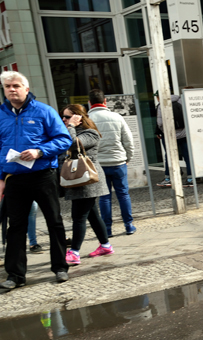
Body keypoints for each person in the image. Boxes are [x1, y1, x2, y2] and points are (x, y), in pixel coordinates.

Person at [0, 71, 72, 291]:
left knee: (54, 222)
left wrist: (40, 151)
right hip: (14, 179)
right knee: (16, 227)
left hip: (42, 175)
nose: (12, 90)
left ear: (26, 89)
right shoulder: (1, 114)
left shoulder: (44, 111)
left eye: (16, 86)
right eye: (7, 87)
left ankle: (60, 267)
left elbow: (64, 139)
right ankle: (15, 275)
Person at [60, 105, 114, 265]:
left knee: (79, 217)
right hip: (78, 179)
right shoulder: (72, 131)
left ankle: (74, 252)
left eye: (67, 117)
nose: (64, 119)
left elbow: (73, 145)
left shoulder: (91, 133)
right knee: (92, 215)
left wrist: (71, 127)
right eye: (63, 117)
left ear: (78, 118)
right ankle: (106, 245)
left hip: (87, 179)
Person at [88, 89, 136, 237]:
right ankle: (128, 225)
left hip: (99, 164)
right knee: (123, 194)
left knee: (104, 197)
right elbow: (128, 140)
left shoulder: (87, 119)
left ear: (89, 103)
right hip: (118, 162)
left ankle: (107, 229)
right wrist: (128, 157)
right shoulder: (116, 117)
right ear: (105, 101)